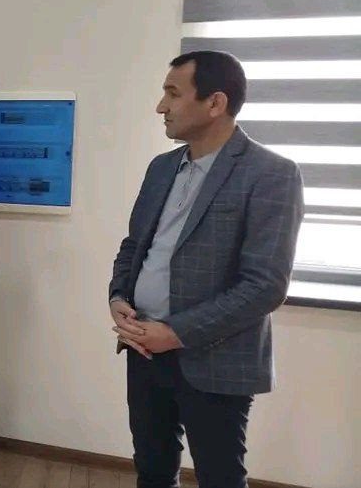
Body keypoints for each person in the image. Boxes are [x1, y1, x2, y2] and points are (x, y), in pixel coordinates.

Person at [108, 51, 304, 488]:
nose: (161, 106)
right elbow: (134, 245)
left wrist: (175, 333)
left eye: (173, 93)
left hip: (217, 358)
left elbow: (265, 285)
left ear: (215, 102)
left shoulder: (271, 174)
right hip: (144, 350)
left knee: (220, 478)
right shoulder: (161, 168)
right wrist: (118, 295)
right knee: (153, 470)